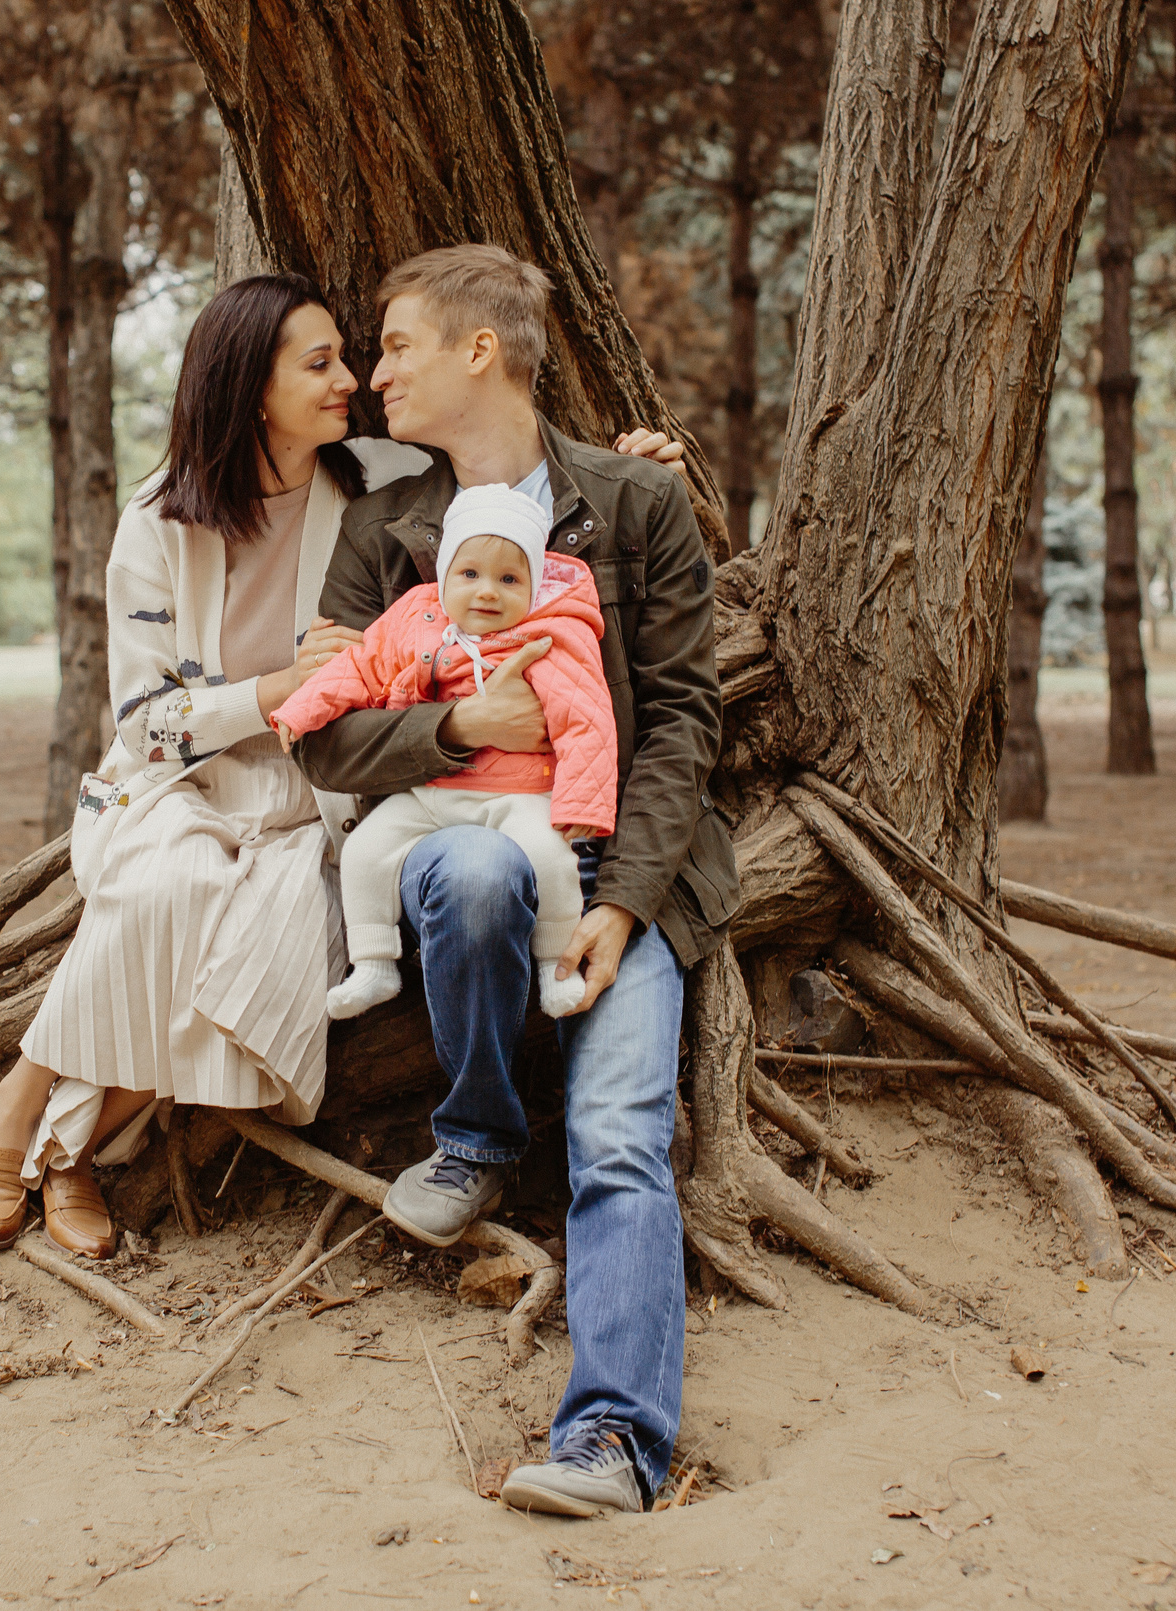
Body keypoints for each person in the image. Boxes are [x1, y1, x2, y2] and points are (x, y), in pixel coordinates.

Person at [0, 270, 689, 1263]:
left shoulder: (374, 483)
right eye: (322, 363)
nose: (353, 380)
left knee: (262, 968)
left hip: (315, 799)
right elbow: (143, 724)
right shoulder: (158, 521)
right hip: (184, 782)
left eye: (355, 356)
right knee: (165, 888)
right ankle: (28, 1117)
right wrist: (269, 691)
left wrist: (630, 474)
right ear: (251, 388)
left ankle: (66, 1142)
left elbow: (514, 490)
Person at [293, 244, 741, 1519]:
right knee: (480, 869)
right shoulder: (384, 530)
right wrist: (457, 729)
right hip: (459, 839)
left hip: (624, 869)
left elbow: (683, 720)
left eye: (396, 346)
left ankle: (613, 1443)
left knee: (619, 1134)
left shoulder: (635, 501)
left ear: (479, 351)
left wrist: (623, 904)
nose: (375, 375)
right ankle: (477, 1134)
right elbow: (327, 738)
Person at [270, 481, 616, 1028]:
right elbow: (358, 668)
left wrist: (582, 806)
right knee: (365, 852)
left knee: (553, 861)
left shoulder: (548, 635)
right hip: (432, 790)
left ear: (533, 585)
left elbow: (586, 720)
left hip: (518, 793)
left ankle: (557, 966)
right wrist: (300, 709)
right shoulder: (417, 618)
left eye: (509, 579)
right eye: (470, 574)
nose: (487, 593)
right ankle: (373, 963)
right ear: (444, 574)